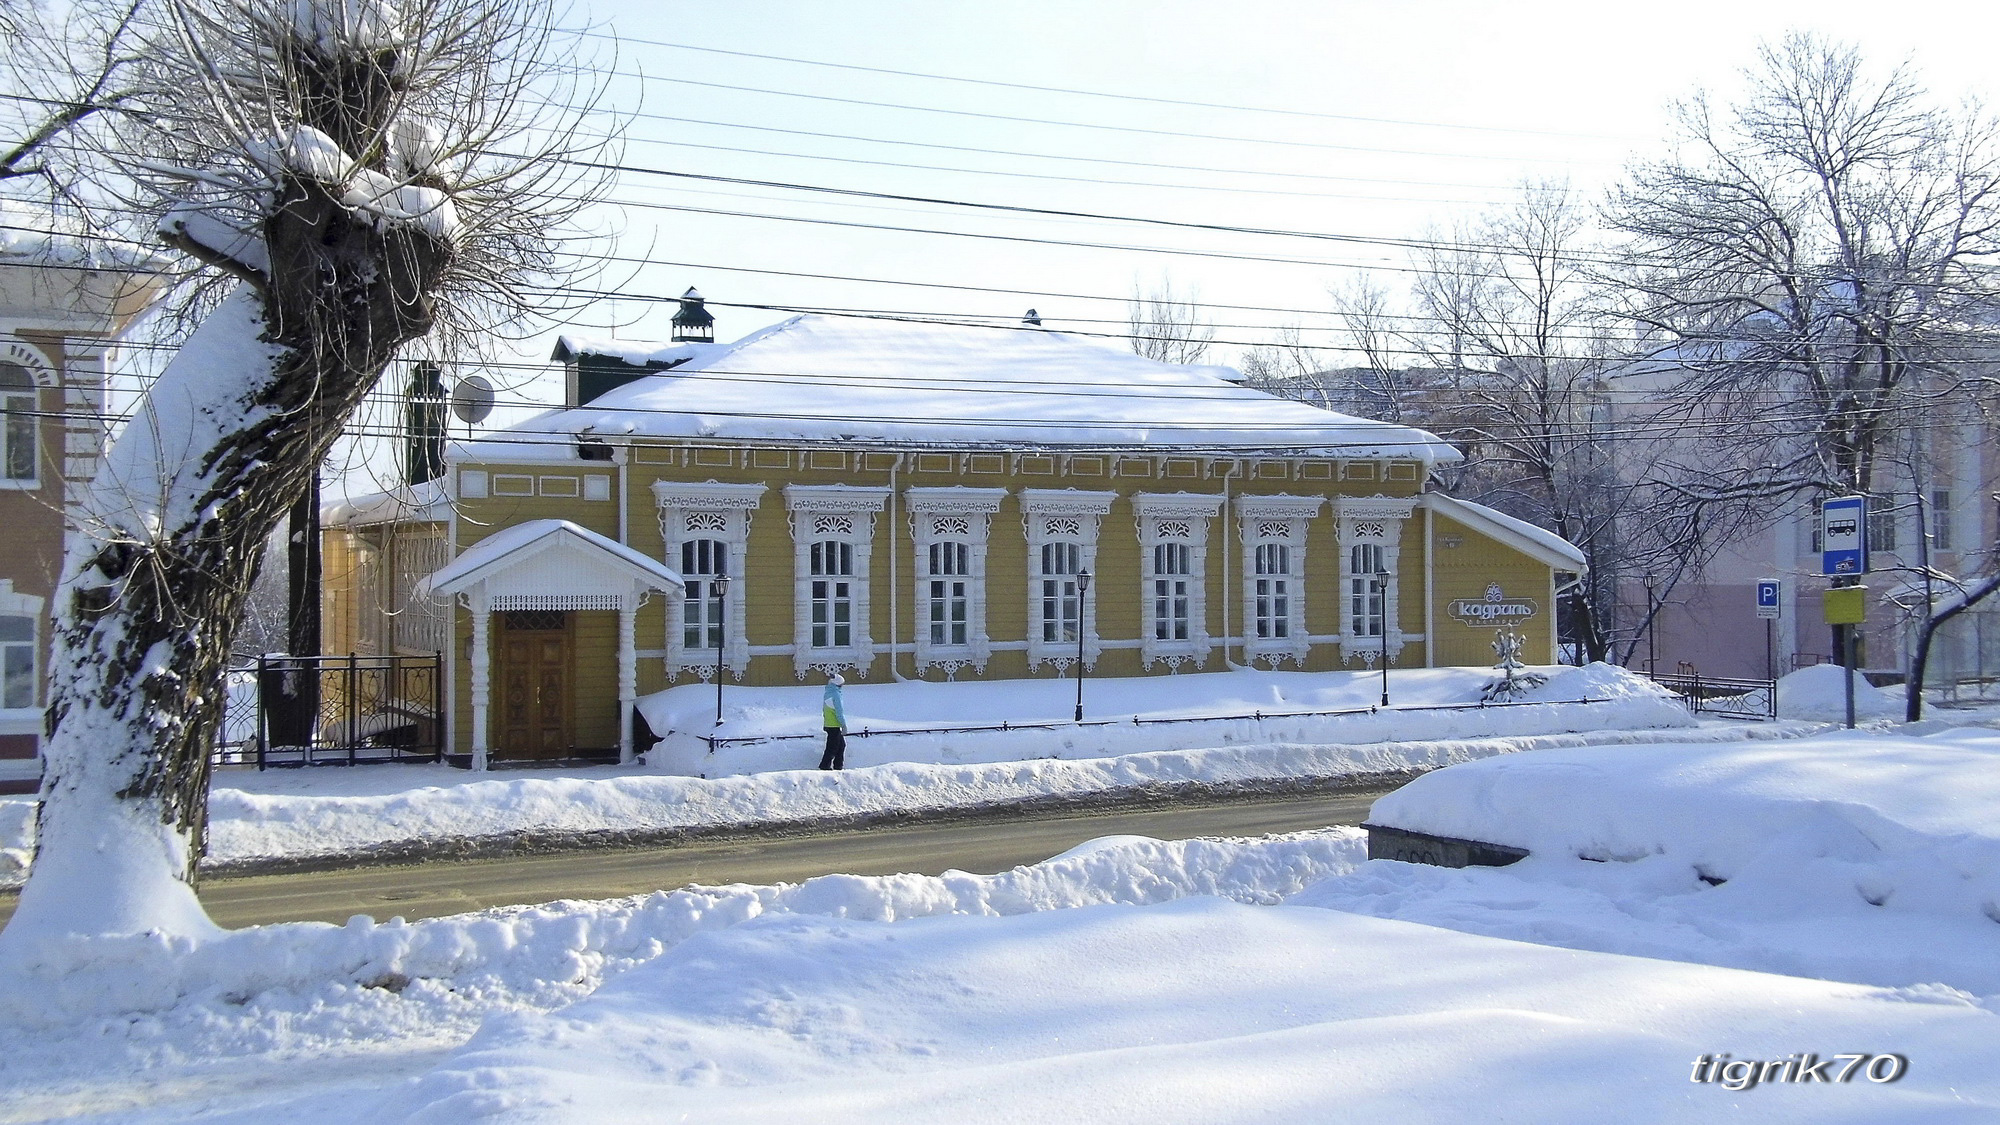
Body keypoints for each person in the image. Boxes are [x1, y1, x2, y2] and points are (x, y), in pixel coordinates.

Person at [818, 673, 847, 770]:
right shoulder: (836, 695)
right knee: (832, 747)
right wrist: (843, 725)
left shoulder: (828, 693)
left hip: (829, 723)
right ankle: (825, 766)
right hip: (834, 725)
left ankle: (838, 765)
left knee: (841, 745)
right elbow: (839, 711)